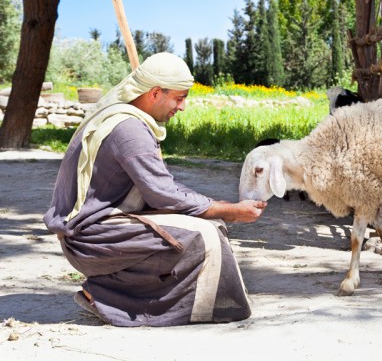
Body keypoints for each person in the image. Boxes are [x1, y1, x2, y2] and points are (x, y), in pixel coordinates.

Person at [43, 52, 267, 327]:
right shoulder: (129, 129)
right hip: (90, 237)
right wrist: (228, 210)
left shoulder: (125, 119)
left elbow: (162, 185)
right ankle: (106, 295)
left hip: (96, 230)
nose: (182, 107)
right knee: (202, 236)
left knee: (208, 223)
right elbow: (162, 194)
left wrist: (212, 207)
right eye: (179, 98)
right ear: (155, 94)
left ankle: (122, 292)